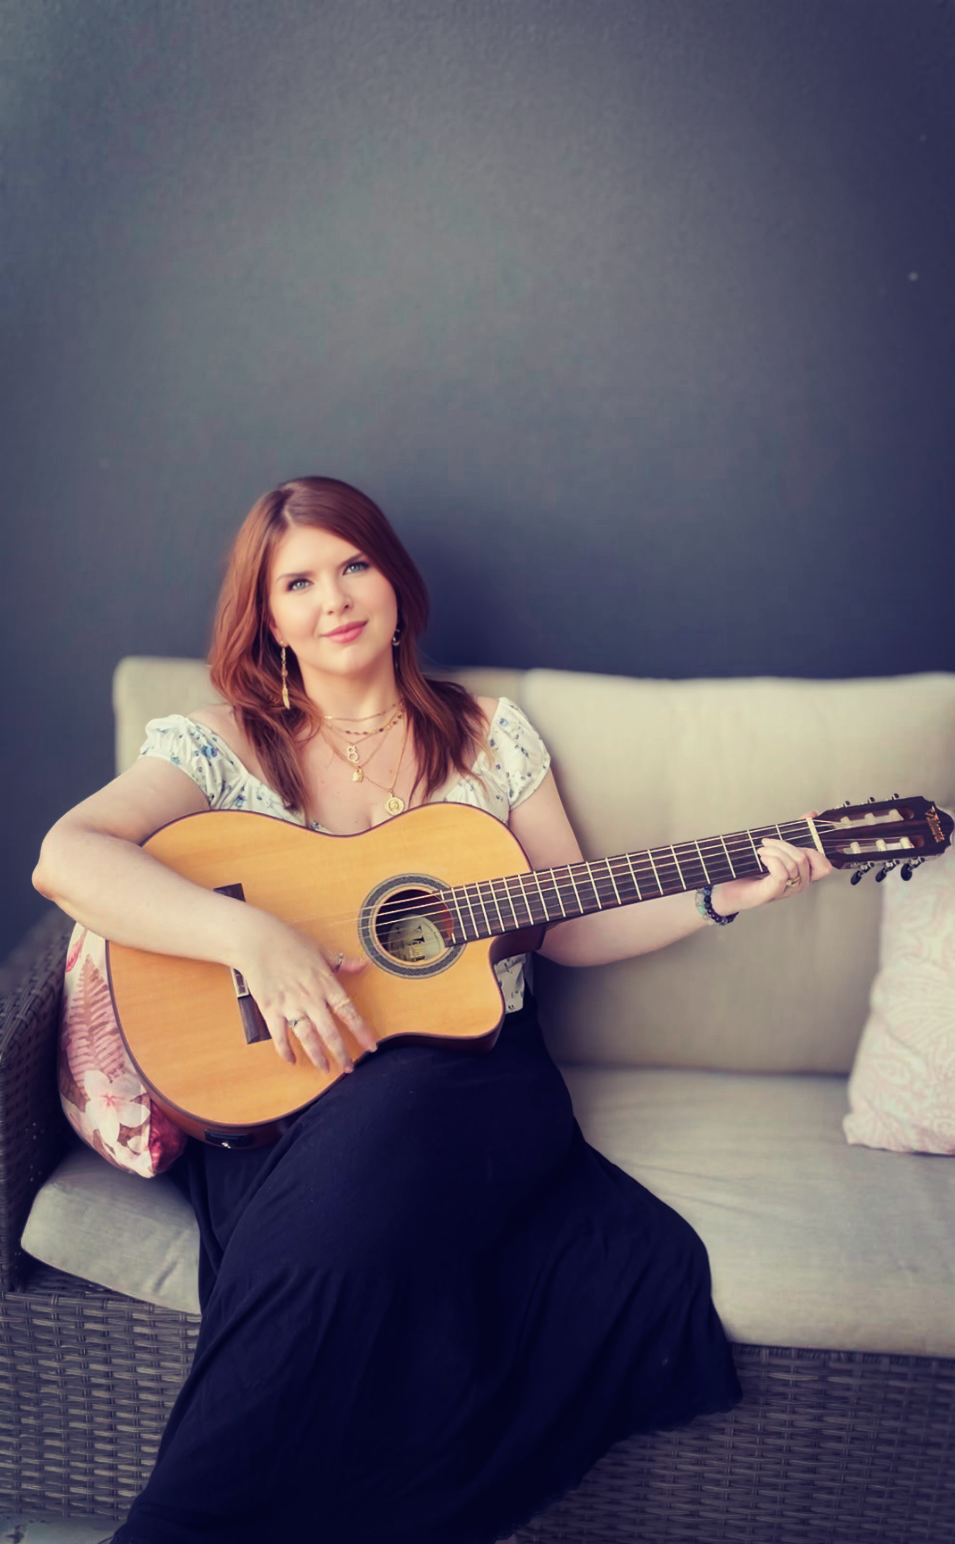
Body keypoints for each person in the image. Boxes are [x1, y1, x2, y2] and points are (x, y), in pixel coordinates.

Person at [34, 477, 831, 1544]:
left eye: (353, 564)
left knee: (369, 1173)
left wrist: (725, 894)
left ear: (394, 578)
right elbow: (67, 856)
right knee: (335, 1214)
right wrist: (251, 936)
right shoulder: (216, 745)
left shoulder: (492, 735)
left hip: (473, 1077)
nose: (334, 598)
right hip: (278, 1099)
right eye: (299, 581)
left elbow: (567, 920)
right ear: (266, 615)